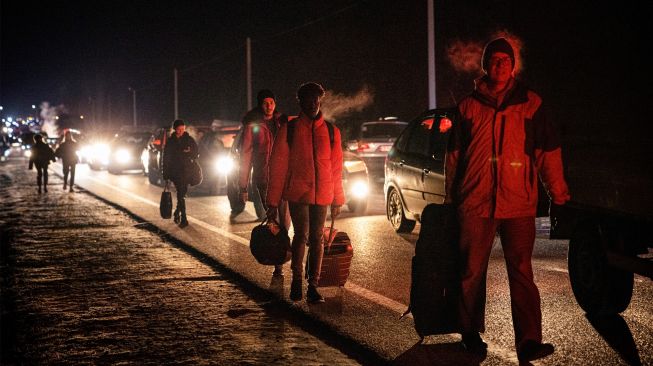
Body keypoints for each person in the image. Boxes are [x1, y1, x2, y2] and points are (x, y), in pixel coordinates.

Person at [444, 37, 570, 362]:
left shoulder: (531, 104)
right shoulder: (467, 107)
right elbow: (454, 158)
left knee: (522, 272)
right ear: (485, 65)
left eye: (505, 60)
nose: (500, 65)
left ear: (513, 66)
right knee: (471, 271)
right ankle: (469, 333)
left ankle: (528, 341)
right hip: (475, 203)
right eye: (494, 60)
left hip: (518, 204)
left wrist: (559, 193)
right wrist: (450, 200)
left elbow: (548, 153)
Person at [266, 82, 345, 303]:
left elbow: (336, 169)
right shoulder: (289, 129)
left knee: (318, 238)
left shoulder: (331, 131)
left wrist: (338, 198)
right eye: (309, 99)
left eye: (316, 100)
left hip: (323, 194)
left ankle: (313, 285)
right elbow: (278, 166)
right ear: (300, 102)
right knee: (300, 235)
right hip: (298, 193)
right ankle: (297, 281)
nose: (313, 104)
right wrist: (273, 201)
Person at [239, 89, 291, 277]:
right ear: (260, 105)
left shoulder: (283, 122)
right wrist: (242, 185)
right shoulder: (252, 125)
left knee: (285, 220)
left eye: (271, 102)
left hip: (284, 177)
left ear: (275, 104)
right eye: (265, 103)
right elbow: (245, 156)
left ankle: (282, 253)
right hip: (263, 180)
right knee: (273, 218)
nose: (269, 106)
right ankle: (278, 262)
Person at [162, 119, 199, 228]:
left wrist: (190, 152)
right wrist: (166, 174)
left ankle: (177, 211)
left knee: (182, 193)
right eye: (179, 129)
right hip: (175, 172)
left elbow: (196, 153)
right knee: (180, 193)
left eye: (182, 129)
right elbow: (166, 158)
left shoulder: (189, 139)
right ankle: (184, 218)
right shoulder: (170, 141)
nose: (181, 131)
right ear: (175, 129)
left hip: (187, 171)